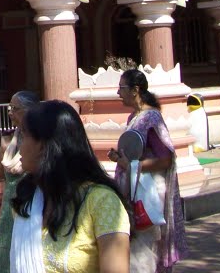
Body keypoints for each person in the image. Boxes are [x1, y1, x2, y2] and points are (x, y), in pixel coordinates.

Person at [11, 100, 131, 273]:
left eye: (24, 135)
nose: (19, 146)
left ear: (45, 145)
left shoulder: (101, 202)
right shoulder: (27, 200)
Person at [108, 69, 188, 273]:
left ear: (135, 90)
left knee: (145, 249)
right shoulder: (134, 117)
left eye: (122, 88)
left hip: (148, 193)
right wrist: (120, 159)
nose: (118, 93)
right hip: (133, 190)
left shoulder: (151, 118)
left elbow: (166, 160)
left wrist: (134, 166)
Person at [0, 90, 40, 272]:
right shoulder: (9, 138)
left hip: (30, 207)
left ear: (30, 111)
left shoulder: (39, 139)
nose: (10, 112)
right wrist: (1, 161)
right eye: (9, 107)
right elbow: (1, 174)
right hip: (8, 207)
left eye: (15, 108)